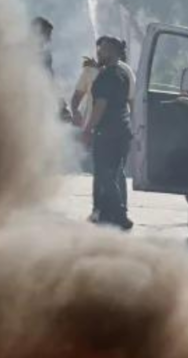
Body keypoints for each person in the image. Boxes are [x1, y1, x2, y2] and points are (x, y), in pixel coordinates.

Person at [81, 36, 133, 230]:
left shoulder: (106, 77)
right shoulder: (122, 73)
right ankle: (110, 213)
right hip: (122, 131)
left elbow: (100, 106)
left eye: (102, 50)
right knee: (115, 172)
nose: (98, 53)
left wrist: (88, 129)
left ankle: (119, 214)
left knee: (105, 175)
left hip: (107, 133)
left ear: (111, 52)